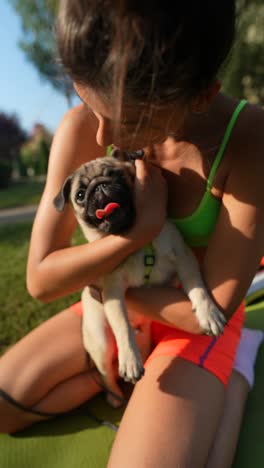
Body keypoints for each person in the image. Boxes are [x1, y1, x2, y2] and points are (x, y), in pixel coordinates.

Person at [0, 0, 264, 466]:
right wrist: (137, 234)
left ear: (200, 96)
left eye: (127, 119)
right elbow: (41, 280)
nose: (101, 136)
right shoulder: (84, 124)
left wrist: (112, 293)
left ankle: (236, 373)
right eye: (88, 101)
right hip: (120, 299)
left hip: (196, 322)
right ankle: (141, 391)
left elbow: (211, 310)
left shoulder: (248, 139)